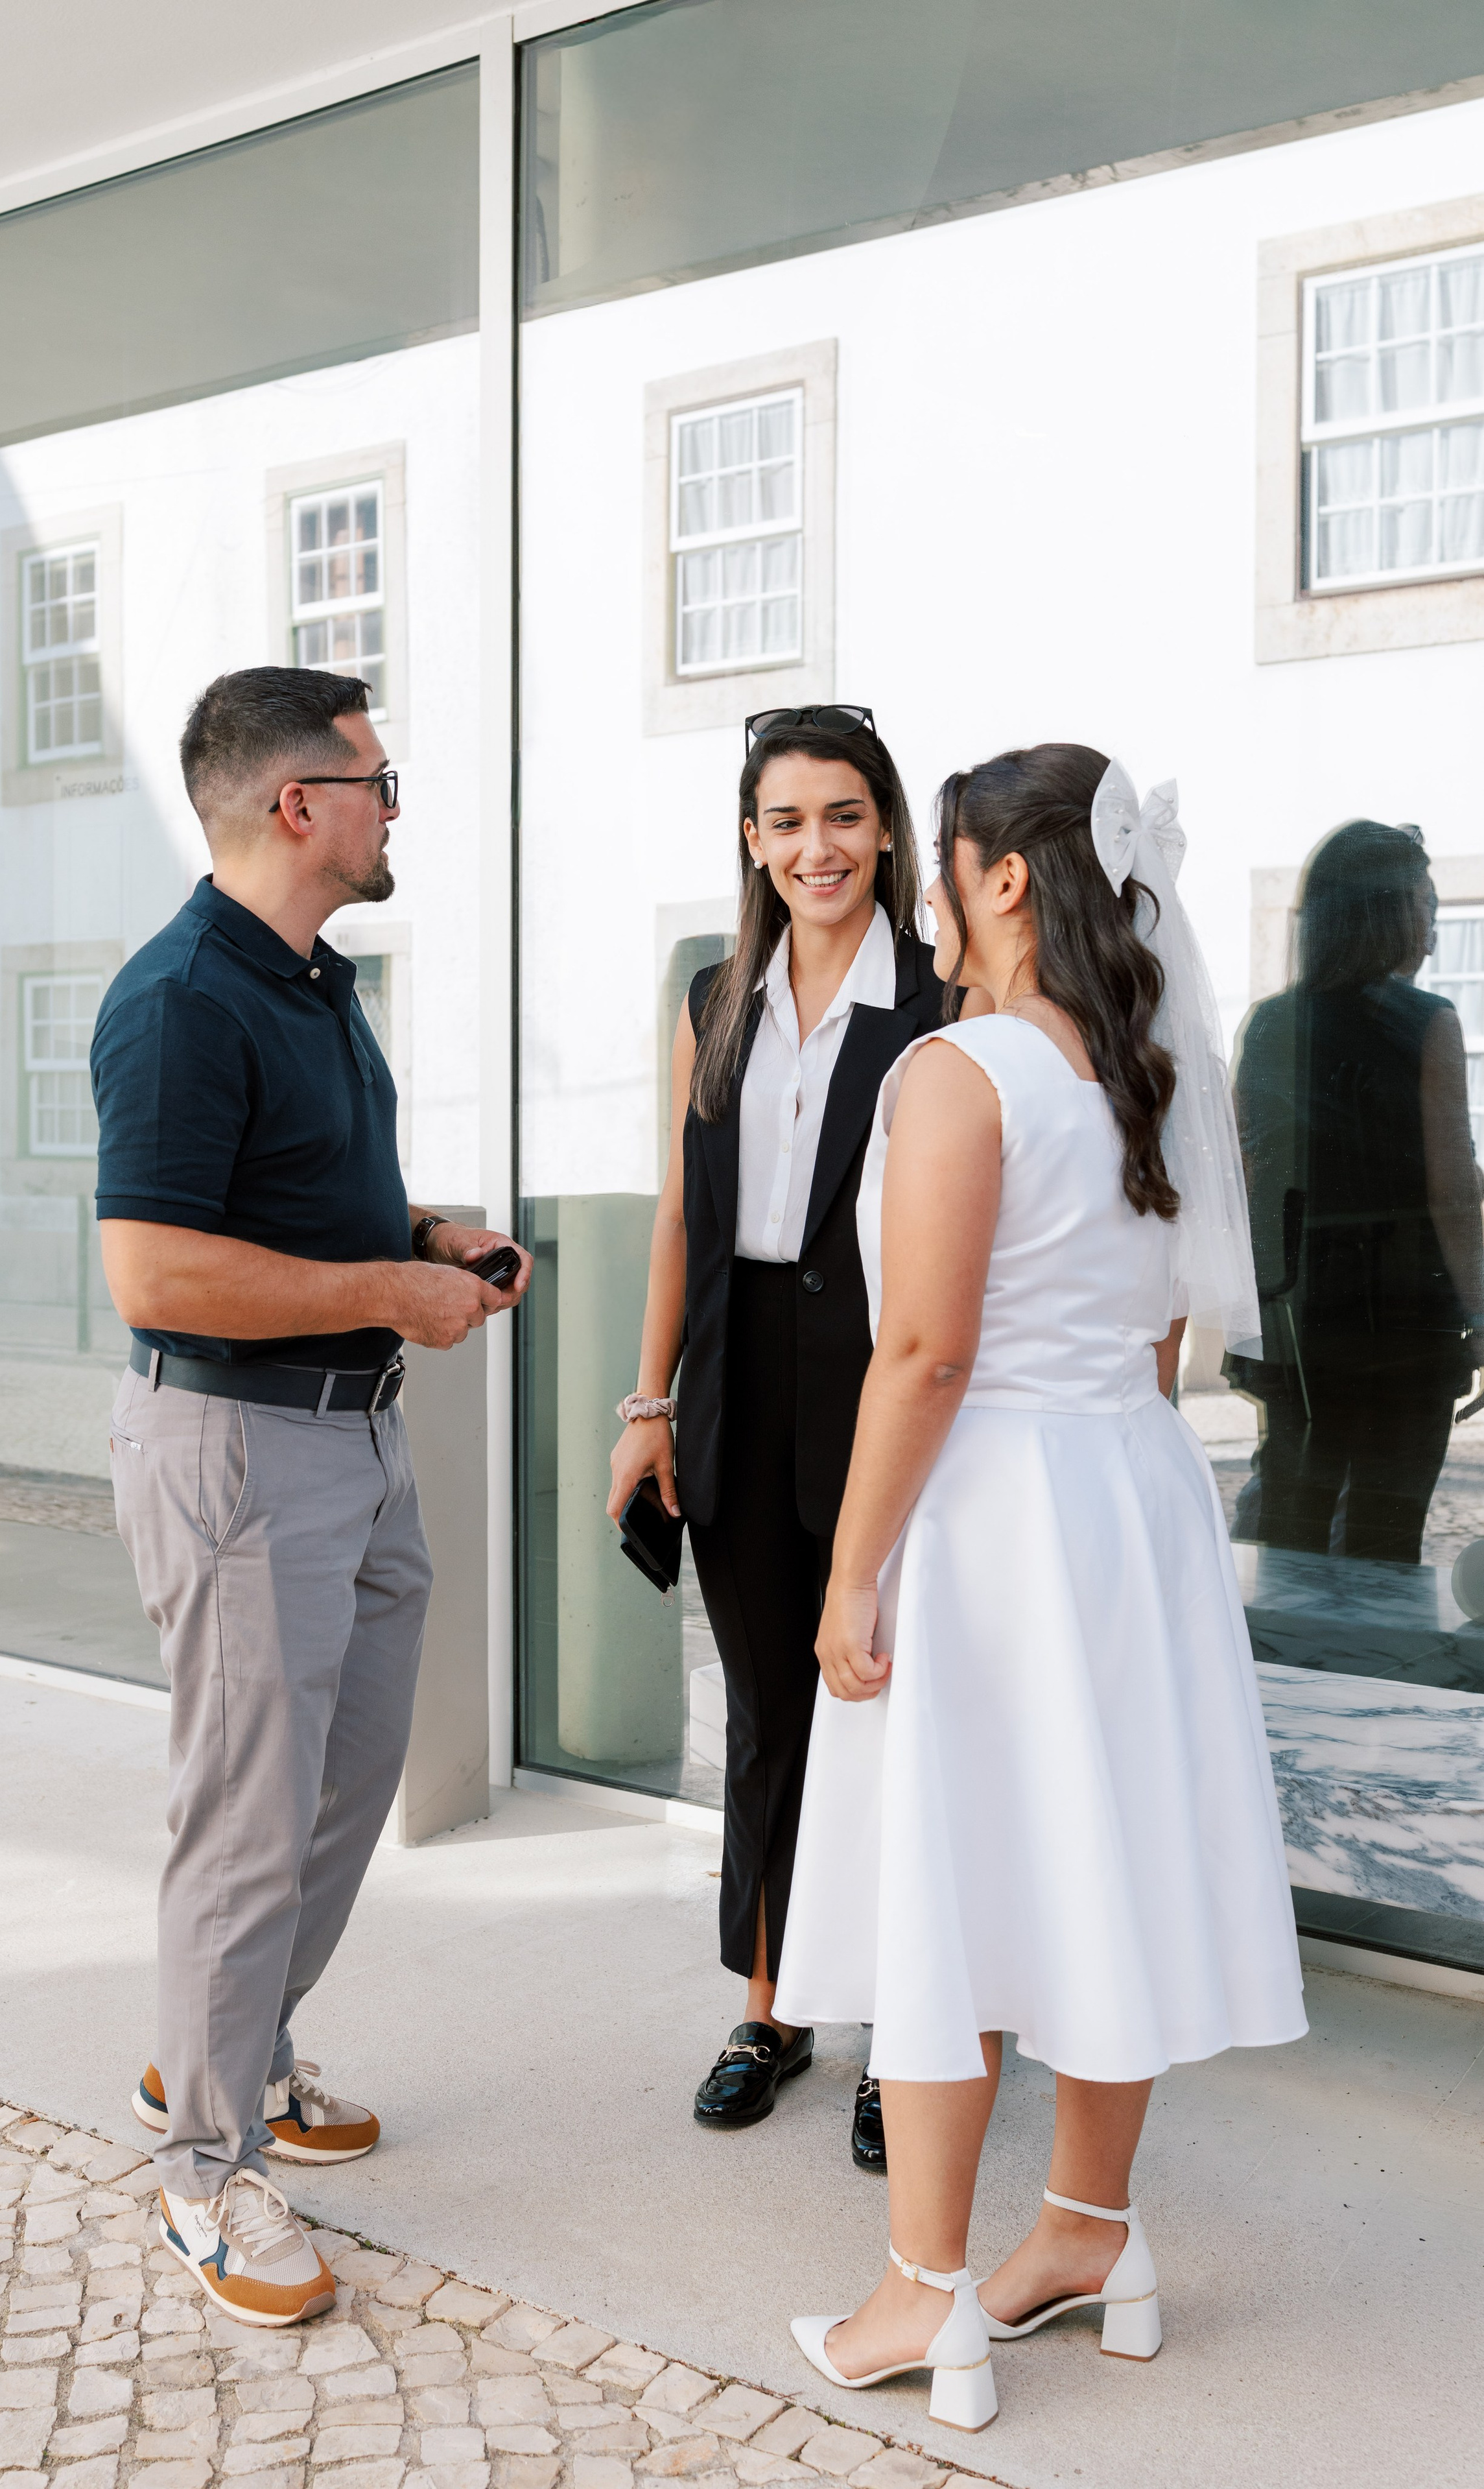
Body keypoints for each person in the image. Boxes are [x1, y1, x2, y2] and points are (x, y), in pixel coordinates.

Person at [774, 744, 1306, 2434]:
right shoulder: (1151, 1068)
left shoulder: (960, 1070)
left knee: (950, 1881)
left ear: (1004, 876)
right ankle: (1088, 2228)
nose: (924, 892)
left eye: (940, 860)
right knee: (1092, 1862)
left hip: (992, 1507)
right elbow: (1161, 1330)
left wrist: (854, 1569)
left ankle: (923, 2288)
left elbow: (924, 1352)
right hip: (1127, 1494)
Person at [91, 665, 530, 2328]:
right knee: (247, 1817)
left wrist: (419, 1239)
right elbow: (155, 1271)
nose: (392, 806)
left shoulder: (310, 981)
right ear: (299, 804)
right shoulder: (179, 999)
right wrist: (386, 1289)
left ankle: (231, 2045)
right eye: (377, 781)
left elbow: (279, 1202)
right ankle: (204, 2172)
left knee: (341, 1788)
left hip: (354, 1443)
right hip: (237, 1451)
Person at [606, 706, 974, 2162]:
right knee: (766, 1708)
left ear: (884, 829)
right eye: (785, 820)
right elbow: (680, 1211)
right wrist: (648, 1404)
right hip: (735, 1374)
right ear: (751, 840)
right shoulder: (714, 997)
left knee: (887, 1700)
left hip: (881, 1376)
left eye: (842, 815)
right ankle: (770, 2006)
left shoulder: (944, 998)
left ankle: (900, 2030)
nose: (814, 846)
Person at [1231, 820, 1484, 1562]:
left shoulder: (1270, 1022)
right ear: (1389, 912)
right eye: (1424, 904)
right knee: (1383, 1536)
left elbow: (1246, 1178)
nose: (1431, 929)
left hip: (1296, 1315)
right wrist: (1480, 1310)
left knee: (1289, 1531)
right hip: (1401, 1319)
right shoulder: (1426, 1021)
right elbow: (1452, 1191)